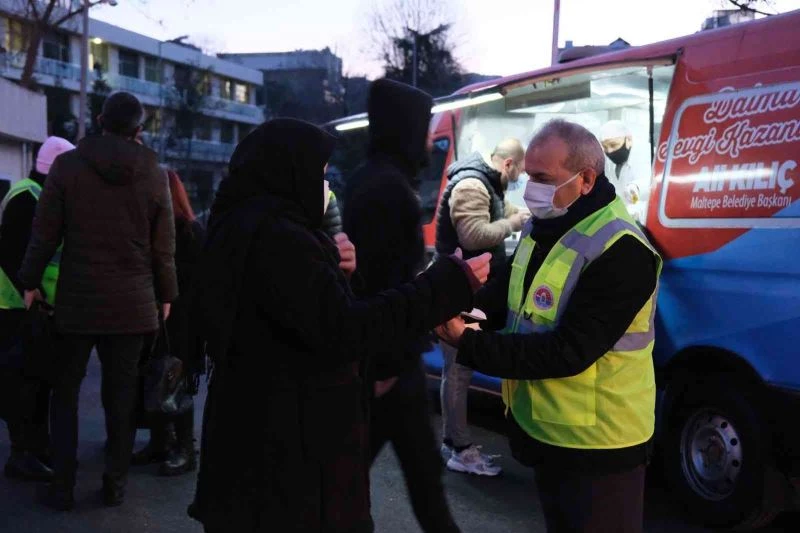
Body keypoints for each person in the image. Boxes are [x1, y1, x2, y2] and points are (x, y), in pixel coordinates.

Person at [187, 118, 490, 533]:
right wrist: (445, 285)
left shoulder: (243, 223)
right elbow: (344, 330)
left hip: (253, 444)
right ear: (289, 171)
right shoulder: (280, 239)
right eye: (320, 174)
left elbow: (299, 313)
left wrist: (336, 268)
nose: (325, 185)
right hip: (288, 455)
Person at [437, 119, 661, 533]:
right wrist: (457, 304)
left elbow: (568, 351)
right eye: (527, 177)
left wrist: (467, 342)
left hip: (600, 447)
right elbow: (507, 299)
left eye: (541, 178)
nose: (529, 190)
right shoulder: (548, 225)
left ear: (587, 179)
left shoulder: (623, 249)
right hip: (547, 436)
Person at [18, 91, 178, 510]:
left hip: (77, 301)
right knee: (120, 396)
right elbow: (164, 246)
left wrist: (29, 280)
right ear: (138, 130)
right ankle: (115, 484)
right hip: (133, 301)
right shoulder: (154, 173)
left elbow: (45, 231)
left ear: (100, 120)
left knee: (65, 393)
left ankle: (62, 485)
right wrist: (167, 294)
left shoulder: (68, 166)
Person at [342, 78, 461, 533]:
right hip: (390, 364)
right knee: (421, 484)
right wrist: (387, 365)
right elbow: (384, 281)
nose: (431, 140)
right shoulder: (391, 192)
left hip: (385, 359)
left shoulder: (368, 179)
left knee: (393, 478)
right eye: (425, 128)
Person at [434, 138, 529, 476]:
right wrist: (514, 224)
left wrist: (516, 213)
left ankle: (452, 441)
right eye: (520, 170)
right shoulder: (473, 184)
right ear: (508, 165)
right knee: (458, 370)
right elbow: (474, 235)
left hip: (468, 290)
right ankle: (460, 449)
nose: (520, 178)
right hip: (458, 291)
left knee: (458, 369)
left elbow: (496, 212)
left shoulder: (487, 184)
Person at [0, 136, 75, 482]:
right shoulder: (28, 198)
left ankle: (35, 447)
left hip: (28, 303)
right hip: (17, 305)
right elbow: (17, 255)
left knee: (35, 381)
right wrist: (35, 294)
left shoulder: (33, 193)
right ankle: (23, 452)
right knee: (24, 382)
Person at [132, 169, 205, 476]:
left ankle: (184, 449)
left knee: (173, 381)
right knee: (159, 379)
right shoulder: (187, 228)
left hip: (179, 320)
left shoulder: (185, 231)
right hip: (169, 317)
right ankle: (162, 443)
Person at [599, 120, 643, 221]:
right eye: (605, 147)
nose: (609, 151)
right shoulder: (608, 164)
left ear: (629, 140)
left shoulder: (644, 158)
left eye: (613, 145)